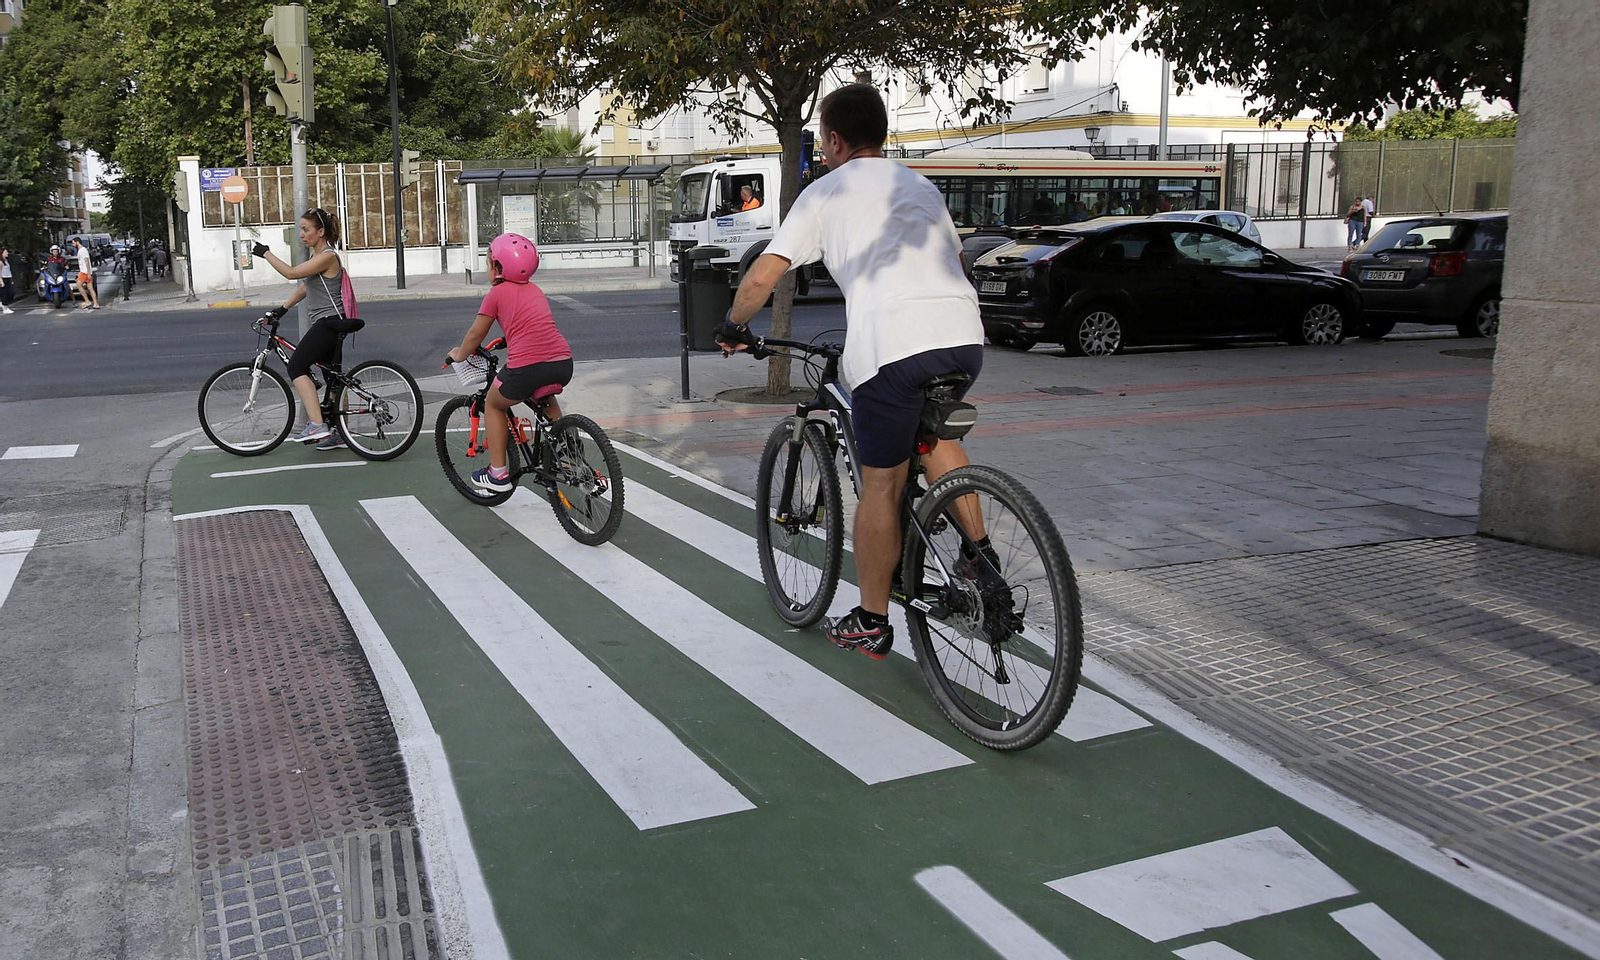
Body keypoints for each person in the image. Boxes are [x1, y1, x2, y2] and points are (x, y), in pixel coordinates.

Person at [715, 83, 991, 660]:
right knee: (933, 436)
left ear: (836, 140)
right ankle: (980, 556)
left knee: (881, 485)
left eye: (822, 139)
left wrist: (734, 325)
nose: (822, 148)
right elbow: (957, 262)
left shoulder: (823, 192)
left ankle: (870, 618)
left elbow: (764, 275)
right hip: (964, 336)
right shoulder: (920, 185)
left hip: (893, 345)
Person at [445, 233, 573, 493]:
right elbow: (532, 325)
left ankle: (498, 474)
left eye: (489, 262)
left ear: (498, 267)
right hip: (562, 362)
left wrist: (460, 354)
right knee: (544, 396)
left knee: (494, 404)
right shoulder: (535, 290)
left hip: (527, 367)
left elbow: (475, 335)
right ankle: (569, 453)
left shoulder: (497, 293)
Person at [250, 208, 358, 451]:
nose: (301, 234)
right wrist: (282, 309)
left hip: (328, 322)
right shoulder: (317, 256)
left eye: (306, 229)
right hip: (330, 321)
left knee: (296, 367)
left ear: (321, 232)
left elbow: (291, 274)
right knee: (333, 378)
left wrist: (266, 253)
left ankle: (317, 425)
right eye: (301, 229)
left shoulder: (327, 256)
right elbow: (306, 286)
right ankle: (340, 433)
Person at [72, 238, 100, 310]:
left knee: (78, 285)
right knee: (90, 288)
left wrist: (88, 273)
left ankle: (87, 301)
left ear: (77, 242)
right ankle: (96, 303)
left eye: (73, 243)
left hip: (84, 271)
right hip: (86, 271)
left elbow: (86, 261)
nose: (73, 244)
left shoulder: (82, 250)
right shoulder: (82, 250)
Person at [1, 247, 14, 314]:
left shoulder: (6, 261)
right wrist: (1, 281)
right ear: (2, 253)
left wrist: (11, 279)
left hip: (8, 278)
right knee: (5, 293)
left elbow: (9, 271)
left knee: (11, 292)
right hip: (3, 278)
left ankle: (4, 304)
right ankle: (5, 308)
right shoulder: (0, 262)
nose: (7, 253)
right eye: (6, 252)